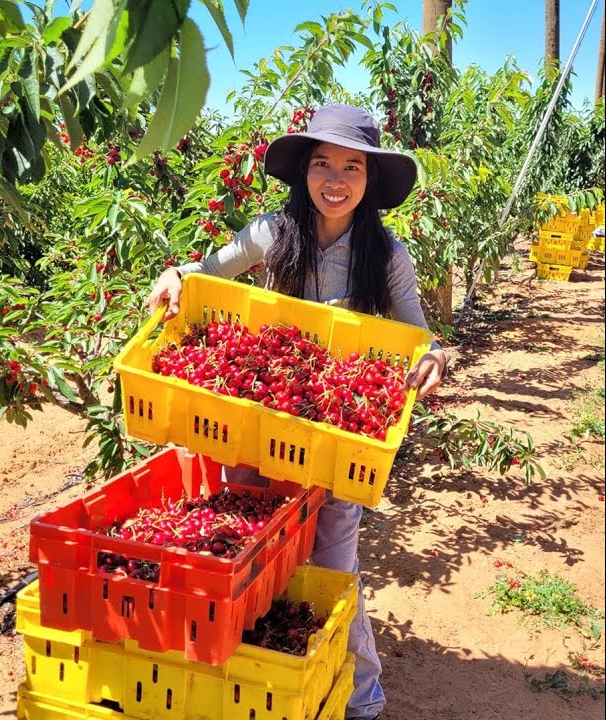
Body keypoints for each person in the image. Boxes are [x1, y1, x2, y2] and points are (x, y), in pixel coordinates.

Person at [146, 104, 449, 720]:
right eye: (322, 164)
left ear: (370, 178)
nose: (335, 180)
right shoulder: (270, 233)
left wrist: (435, 357)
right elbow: (207, 273)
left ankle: (362, 700)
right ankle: (251, 686)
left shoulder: (387, 255)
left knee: (335, 570)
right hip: (256, 425)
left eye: (352, 166)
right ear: (304, 172)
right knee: (248, 557)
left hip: (337, 440)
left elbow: (419, 334)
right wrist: (176, 274)